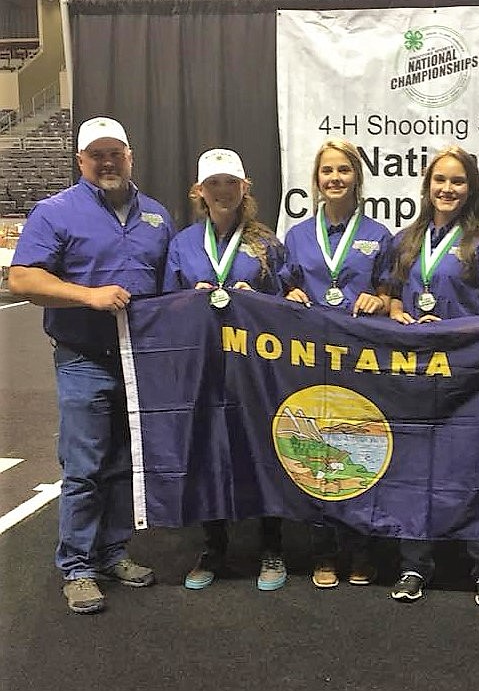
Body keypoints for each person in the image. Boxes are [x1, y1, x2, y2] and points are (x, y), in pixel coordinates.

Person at [8, 116, 175, 614]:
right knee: (84, 466)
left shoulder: (157, 216)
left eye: (115, 153)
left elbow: (170, 284)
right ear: (81, 161)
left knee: (125, 463)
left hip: (138, 363)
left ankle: (112, 551)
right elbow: (22, 280)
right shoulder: (55, 211)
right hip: (84, 359)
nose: (107, 162)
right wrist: (87, 296)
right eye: (97, 154)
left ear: (130, 156)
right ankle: (78, 566)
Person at [381, 145, 479, 605]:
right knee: (415, 467)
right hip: (417, 378)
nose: (447, 189)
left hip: (469, 377)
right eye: (440, 180)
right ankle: (414, 565)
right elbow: (395, 298)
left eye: (457, 181)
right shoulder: (405, 241)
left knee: (476, 467)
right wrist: (399, 313)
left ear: (471, 188)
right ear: (427, 185)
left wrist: (457, 330)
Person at [164, 147, 287, 592]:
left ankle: (272, 546)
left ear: (244, 188)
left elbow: (289, 306)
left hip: (257, 369)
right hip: (204, 368)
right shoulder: (181, 244)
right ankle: (214, 545)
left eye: (229, 183)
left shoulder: (267, 243)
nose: (222, 191)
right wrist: (190, 298)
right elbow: (164, 307)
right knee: (208, 452)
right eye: (213, 183)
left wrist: (255, 300)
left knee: (263, 449)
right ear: (200, 190)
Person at [279, 138, 392, 588]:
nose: (335, 178)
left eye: (344, 170)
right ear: (317, 180)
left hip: (359, 358)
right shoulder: (296, 236)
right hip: (310, 361)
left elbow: (390, 295)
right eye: (327, 171)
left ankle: (362, 549)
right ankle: (323, 551)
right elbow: (282, 290)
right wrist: (288, 296)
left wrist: (379, 300)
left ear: (356, 178)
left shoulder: (378, 236)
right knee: (316, 453)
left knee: (361, 450)